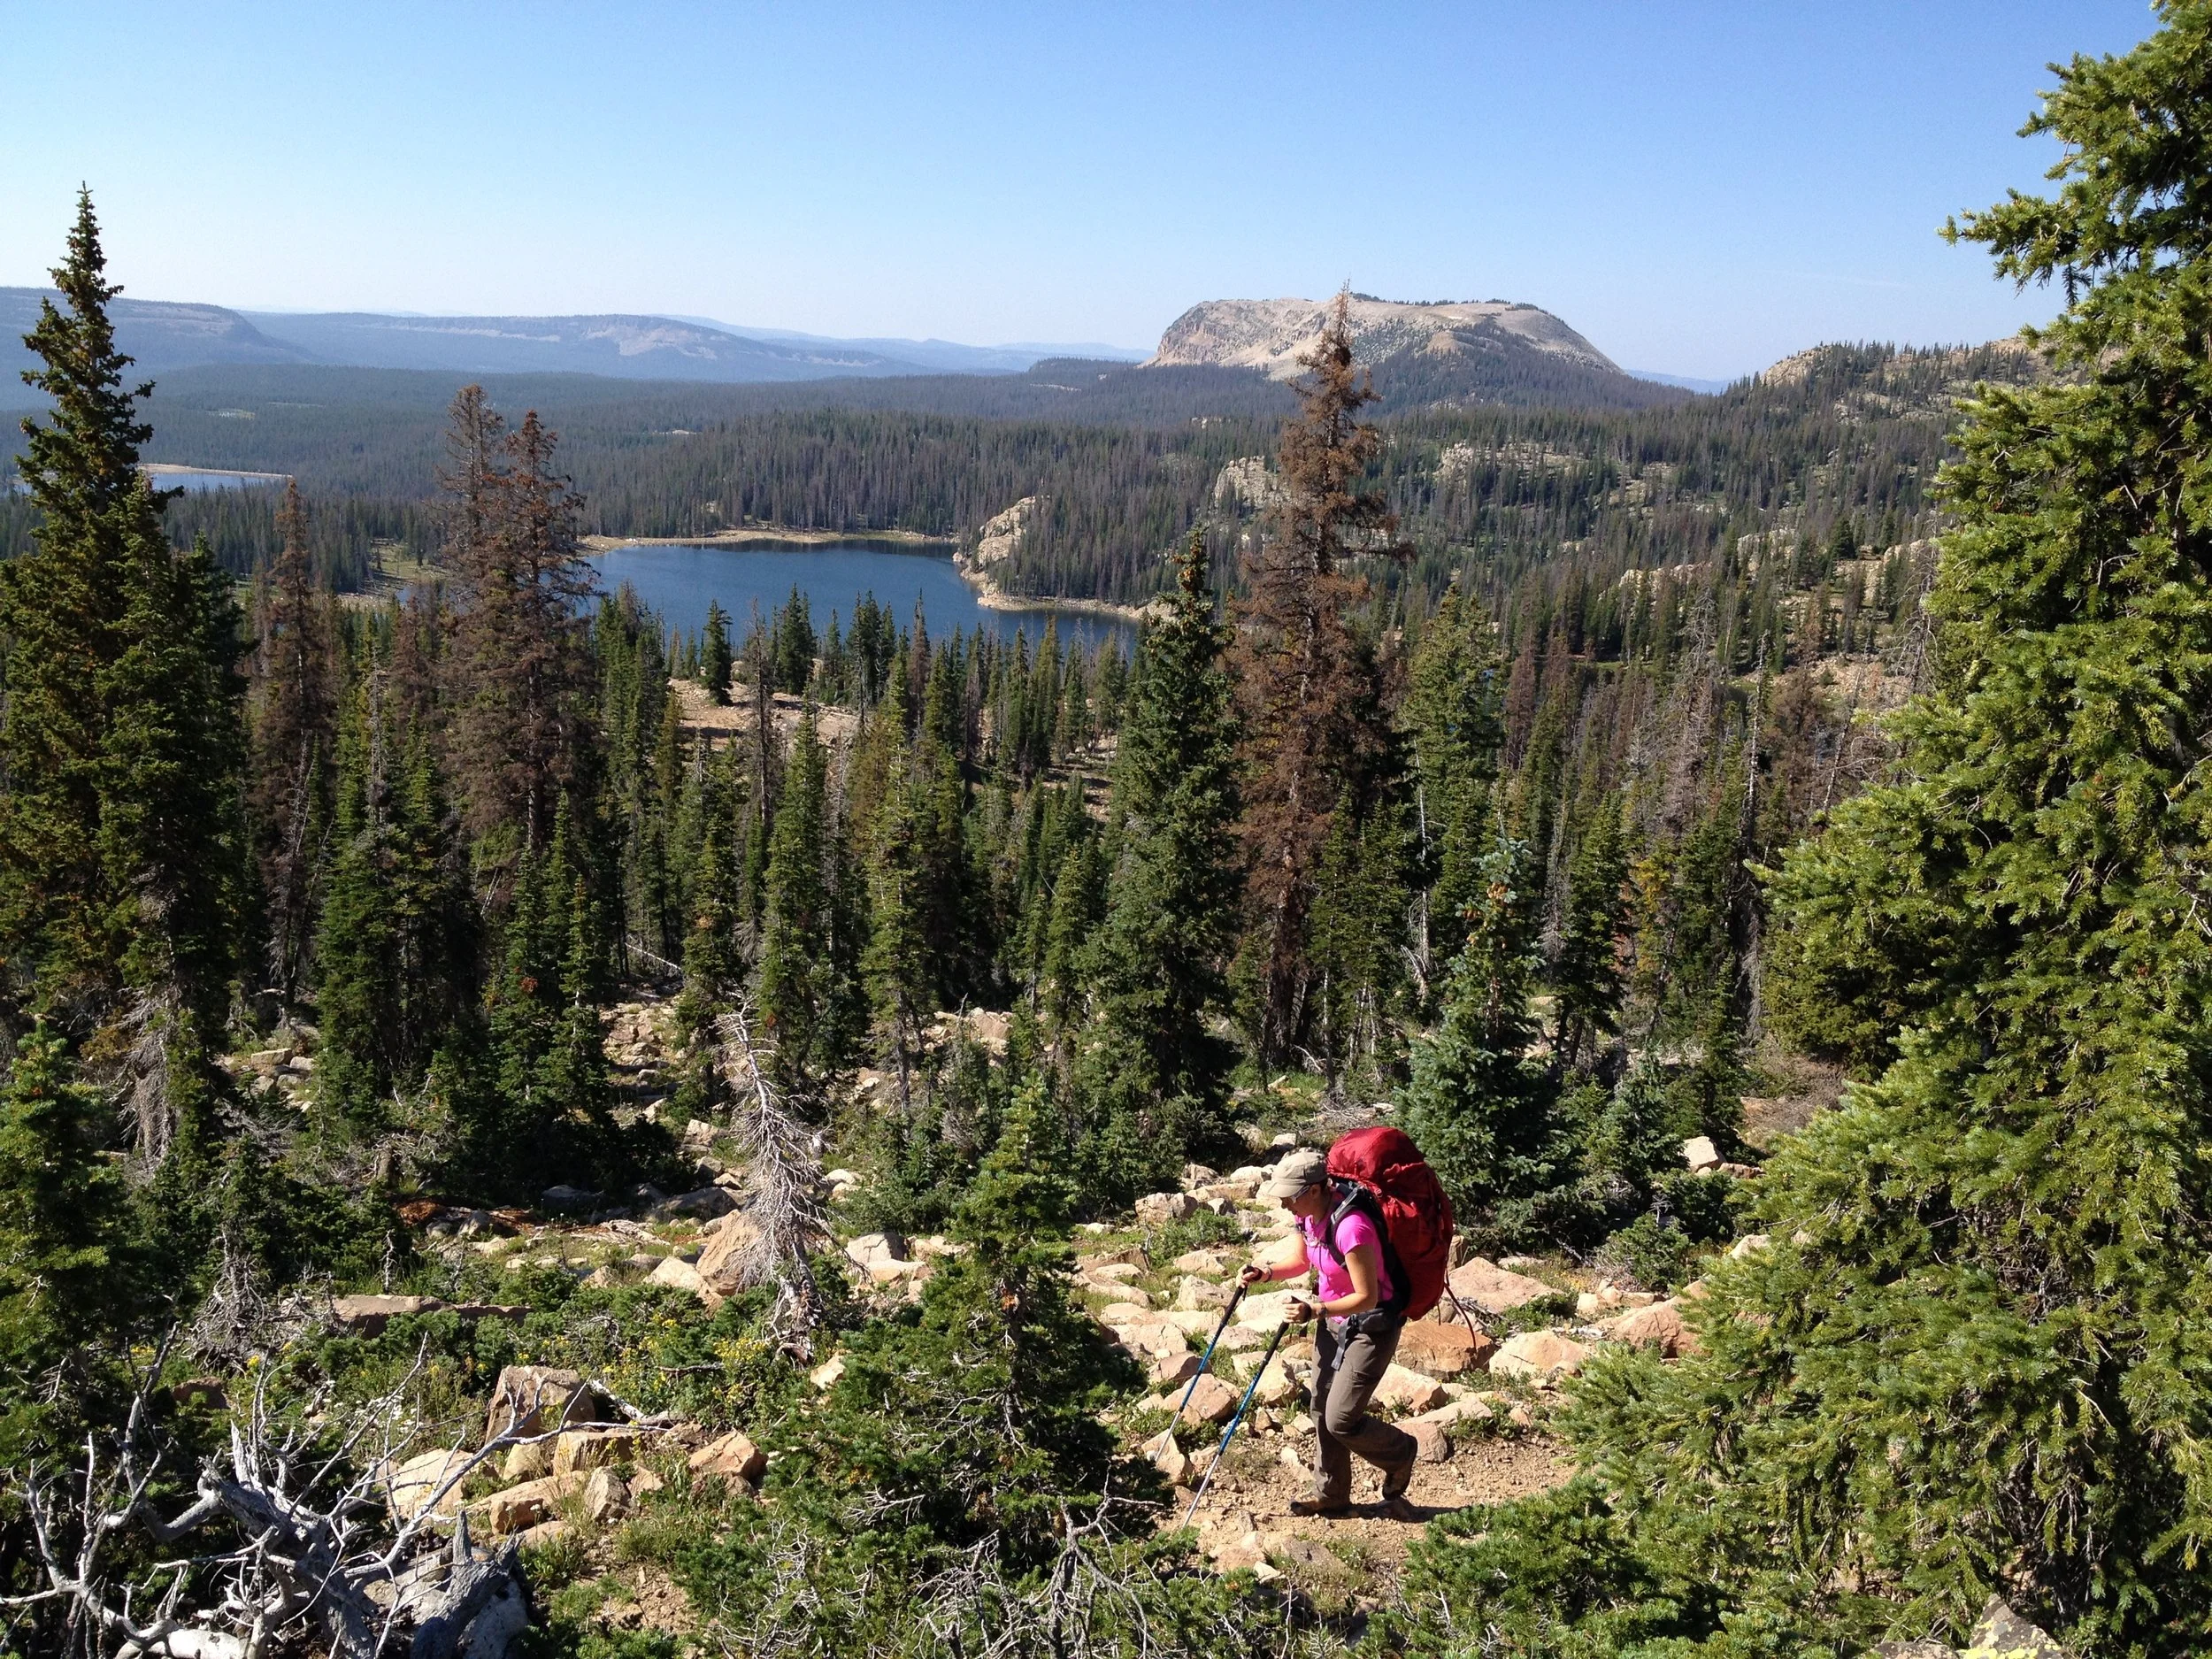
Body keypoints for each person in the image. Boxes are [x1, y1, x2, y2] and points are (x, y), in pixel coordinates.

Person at [1240, 1147, 1417, 1519]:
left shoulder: (1353, 1227)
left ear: (1317, 1189)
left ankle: (1400, 1452)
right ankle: (1332, 1493)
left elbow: (1366, 1297)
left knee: (1340, 1419)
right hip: (1332, 1323)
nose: (1285, 1203)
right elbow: (1303, 1261)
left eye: (1291, 1195)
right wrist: (1265, 1272)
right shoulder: (1308, 1218)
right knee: (1319, 1406)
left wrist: (1315, 1309)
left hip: (1371, 1327)